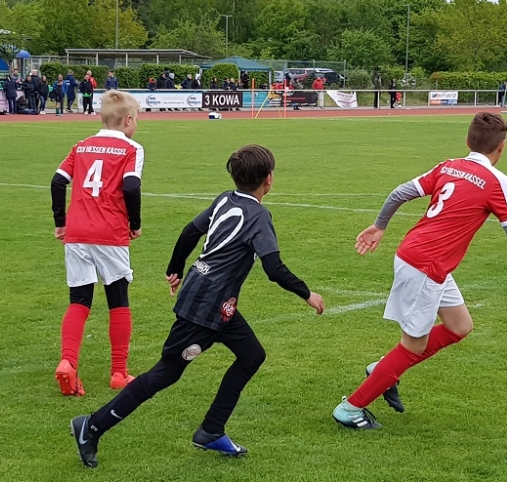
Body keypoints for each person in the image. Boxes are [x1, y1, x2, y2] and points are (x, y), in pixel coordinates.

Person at [68, 144, 325, 467]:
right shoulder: (259, 216)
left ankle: (211, 430)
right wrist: (307, 293)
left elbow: (190, 231)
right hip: (205, 306)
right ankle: (91, 426)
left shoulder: (225, 199)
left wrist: (175, 268)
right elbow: (273, 268)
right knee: (166, 373)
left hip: (217, 304)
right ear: (269, 179)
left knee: (251, 355)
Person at [331, 112, 507, 429]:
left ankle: (383, 368)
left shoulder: (449, 166)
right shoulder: (497, 181)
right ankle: (350, 409)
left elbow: (399, 192)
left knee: (459, 326)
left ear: (467, 140)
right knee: (412, 346)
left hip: (421, 258)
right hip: (425, 266)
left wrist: (380, 226)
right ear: (502, 147)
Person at [51, 90, 146, 396]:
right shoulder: (132, 148)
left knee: (79, 300)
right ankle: (119, 372)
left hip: (77, 232)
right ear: (128, 120)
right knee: (118, 300)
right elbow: (130, 186)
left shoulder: (81, 146)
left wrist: (61, 221)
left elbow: (58, 181)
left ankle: (68, 362)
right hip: (110, 233)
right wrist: (135, 224)